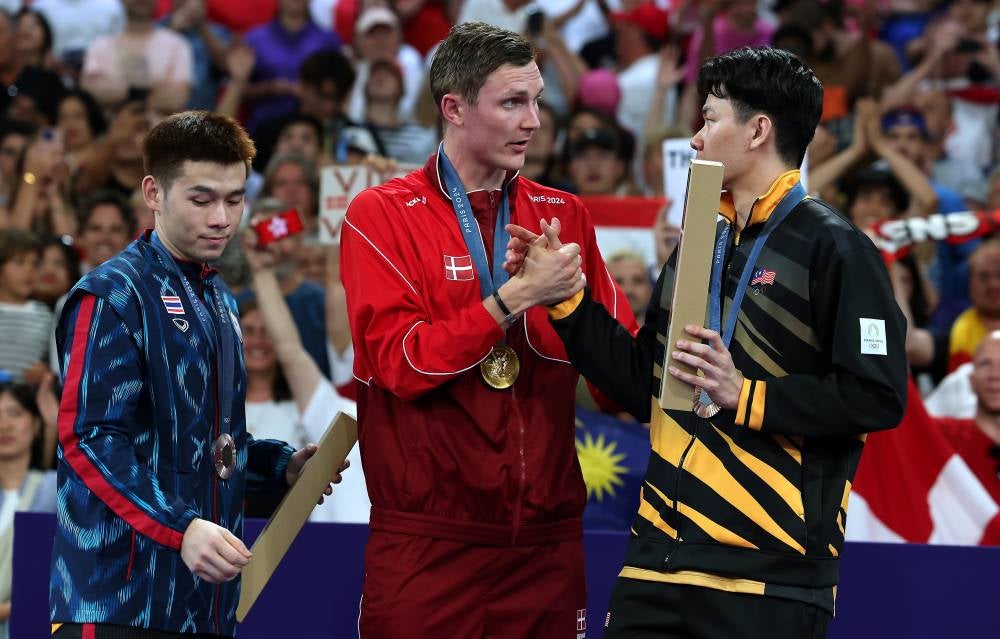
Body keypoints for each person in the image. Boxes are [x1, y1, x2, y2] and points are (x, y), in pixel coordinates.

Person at [510, 46, 908, 637]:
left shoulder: (838, 248)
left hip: (769, 577)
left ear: (758, 131)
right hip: (655, 567)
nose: (696, 139)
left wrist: (744, 395)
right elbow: (643, 383)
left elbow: (877, 396)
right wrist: (565, 300)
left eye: (710, 119)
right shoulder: (701, 243)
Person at [340, 21, 636, 638]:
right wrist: (515, 298)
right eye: (512, 103)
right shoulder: (381, 214)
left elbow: (622, 384)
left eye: (536, 100)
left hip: (548, 547)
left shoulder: (563, 216)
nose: (534, 121)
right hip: (429, 545)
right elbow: (400, 364)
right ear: (454, 108)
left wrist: (569, 302)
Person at [49, 111, 341, 638]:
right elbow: (87, 439)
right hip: (117, 604)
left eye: (235, 199)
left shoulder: (221, 298)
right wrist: (180, 528)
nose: (222, 219)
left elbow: (212, 448)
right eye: (202, 199)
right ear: (153, 192)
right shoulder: (111, 294)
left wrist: (279, 469)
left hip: (205, 607)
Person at [0, 382, 58, 639]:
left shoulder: (54, 489)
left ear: (36, 426)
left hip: (29, 629)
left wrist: (56, 428)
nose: (4, 425)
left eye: (15, 413)